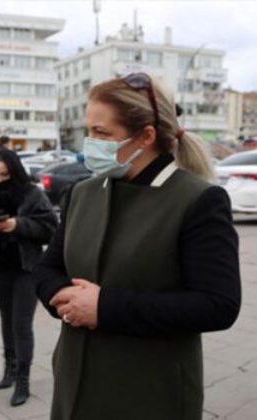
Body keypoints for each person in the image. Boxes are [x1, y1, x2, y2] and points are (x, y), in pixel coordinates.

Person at [34, 72, 241, 420]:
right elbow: (47, 267)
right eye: (89, 131)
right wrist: (62, 298)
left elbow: (217, 304)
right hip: (75, 385)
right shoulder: (83, 193)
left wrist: (106, 307)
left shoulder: (197, 200)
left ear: (145, 137)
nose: (91, 142)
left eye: (102, 133)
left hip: (148, 391)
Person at [0, 148, 57, 406]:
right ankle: (9, 367)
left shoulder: (32, 194)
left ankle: (23, 379)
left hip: (27, 267)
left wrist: (18, 225)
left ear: (14, 171)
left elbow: (51, 228)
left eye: (4, 174)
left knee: (21, 322)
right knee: (7, 319)